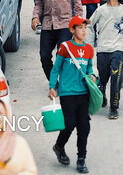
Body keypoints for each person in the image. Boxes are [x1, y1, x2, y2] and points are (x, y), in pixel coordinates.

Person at [49, 15, 96, 174]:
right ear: (72, 30)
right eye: (80, 28)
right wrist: (51, 87)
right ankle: (59, 146)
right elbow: (56, 68)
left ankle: (81, 158)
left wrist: (92, 76)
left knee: (84, 126)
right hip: (67, 92)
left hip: (83, 92)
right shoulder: (65, 47)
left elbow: (89, 68)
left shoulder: (89, 49)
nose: (84, 31)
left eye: (85, 28)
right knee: (70, 123)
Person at [32, 0, 82, 80]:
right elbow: (39, 3)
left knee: (64, 56)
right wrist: (35, 17)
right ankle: (54, 81)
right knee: (44, 57)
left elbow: (77, 1)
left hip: (65, 24)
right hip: (48, 25)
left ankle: (65, 82)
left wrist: (78, 24)